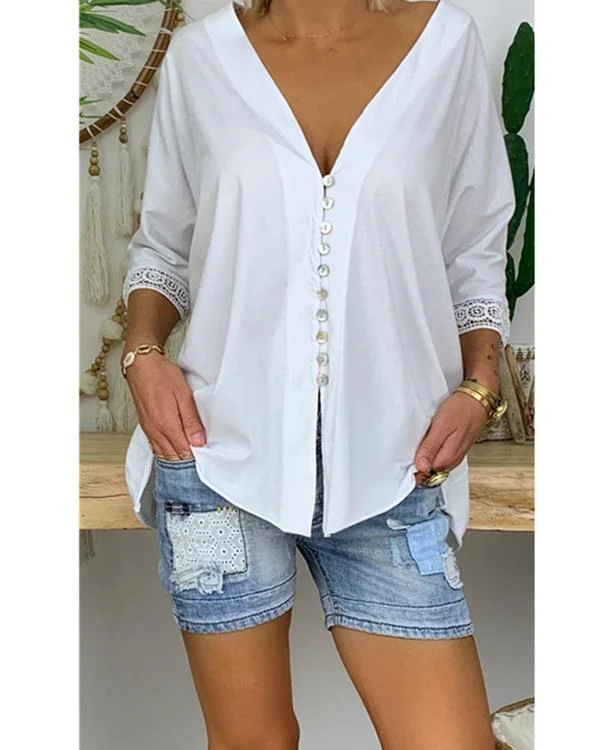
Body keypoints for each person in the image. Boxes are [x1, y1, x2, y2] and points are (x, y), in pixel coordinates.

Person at [121, 1, 515, 747]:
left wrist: (479, 386)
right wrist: (143, 355)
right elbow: (163, 247)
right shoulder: (202, 59)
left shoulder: (445, 45)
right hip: (217, 460)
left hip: (396, 464)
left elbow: (474, 246)